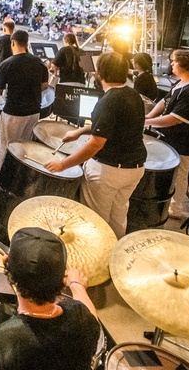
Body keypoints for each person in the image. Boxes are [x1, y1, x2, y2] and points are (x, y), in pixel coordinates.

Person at [0, 227, 100, 370]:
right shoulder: (83, 320)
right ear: (63, 282)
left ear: (7, 270)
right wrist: (77, 286)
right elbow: (91, 314)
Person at [45, 52, 146, 237]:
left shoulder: (108, 101)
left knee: (95, 221)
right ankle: (114, 256)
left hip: (109, 171)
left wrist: (63, 165)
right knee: (118, 217)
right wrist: (79, 131)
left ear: (100, 73)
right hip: (135, 169)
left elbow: (95, 144)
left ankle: (98, 261)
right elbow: (113, 125)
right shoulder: (133, 95)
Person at [145, 49, 189, 218]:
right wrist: (149, 116)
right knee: (172, 172)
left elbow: (175, 118)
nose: (172, 64)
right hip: (176, 138)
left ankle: (175, 209)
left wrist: (146, 122)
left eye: (174, 61)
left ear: (186, 65)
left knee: (179, 174)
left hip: (187, 142)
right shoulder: (183, 82)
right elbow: (164, 101)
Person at [0, 30, 49, 168]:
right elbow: (45, 86)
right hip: (33, 110)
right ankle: (18, 174)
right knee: (24, 146)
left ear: (13, 42)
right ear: (27, 44)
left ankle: (1, 174)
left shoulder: (6, 64)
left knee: (7, 145)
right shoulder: (39, 62)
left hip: (13, 112)